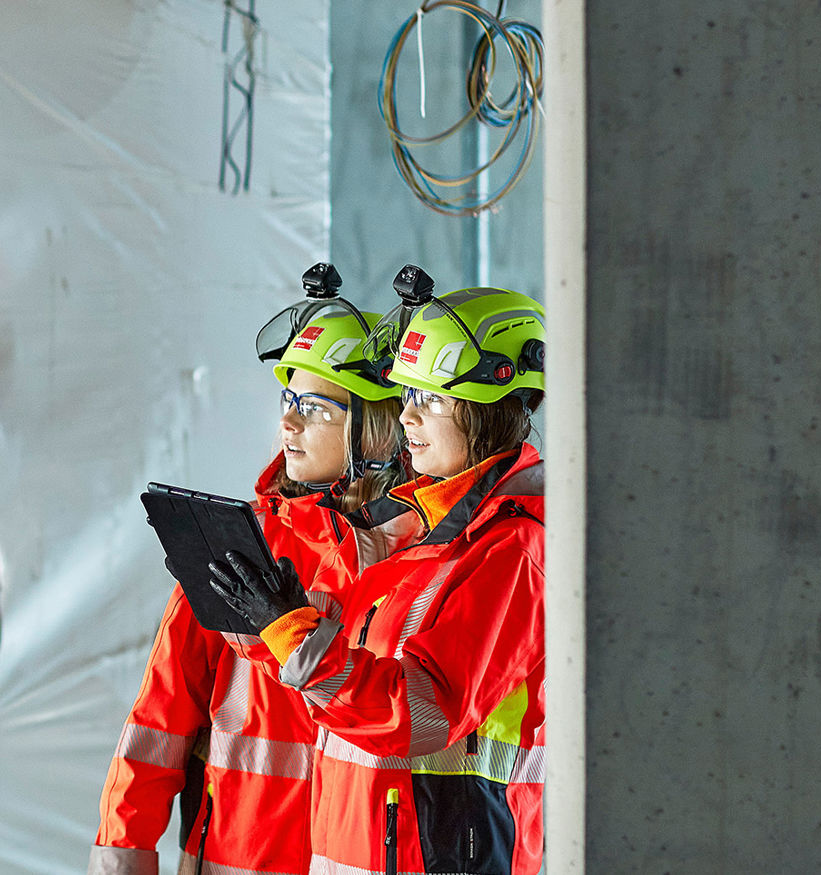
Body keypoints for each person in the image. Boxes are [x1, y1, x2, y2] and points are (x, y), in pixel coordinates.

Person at [211, 276, 546, 875]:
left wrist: (293, 635)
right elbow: (346, 693)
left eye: (432, 399)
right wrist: (269, 630)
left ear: (493, 403)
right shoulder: (427, 536)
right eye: (407, 394)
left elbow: (423, 715)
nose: (408, 415)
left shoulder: (511, 550)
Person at [89, 263, 411, 875]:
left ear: (377, 426)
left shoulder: (424, 559)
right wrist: (120, 858)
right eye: (288, 401)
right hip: (241, 858)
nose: (288, 423)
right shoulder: (243, 543)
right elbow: (162, 716)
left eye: (316, 408)